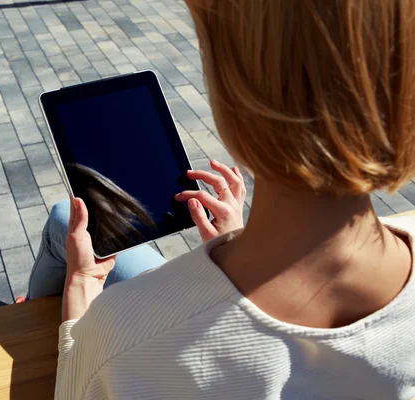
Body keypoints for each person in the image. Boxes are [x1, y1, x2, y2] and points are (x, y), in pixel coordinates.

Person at [27, 1, 415, 398]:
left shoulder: (122, 332)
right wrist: (238, 240)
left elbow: (75, 387)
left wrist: (84, 282)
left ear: (238, 98)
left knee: (64, 220)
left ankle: (24, 311)